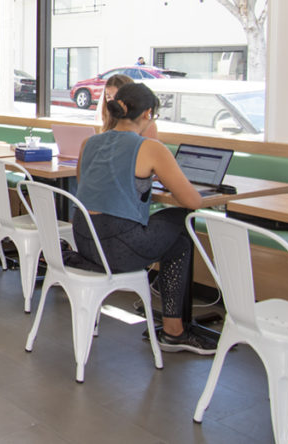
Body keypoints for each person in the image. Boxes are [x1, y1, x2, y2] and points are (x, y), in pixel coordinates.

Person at [75, 82, 214, 354]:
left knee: (175, 238)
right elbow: (193, 201)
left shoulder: (89, 142)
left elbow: (87, 184)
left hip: (84, 240)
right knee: (181, 221)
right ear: (147, 114)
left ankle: (171, 325)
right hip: (116, 249)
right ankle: (174, 331)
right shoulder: (150, 148)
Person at [100, 73, 158, 138]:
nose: (113, 101)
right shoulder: (108, 119)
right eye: (108, 97)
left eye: (117, 96)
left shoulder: (146, 124)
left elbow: (150, 146)